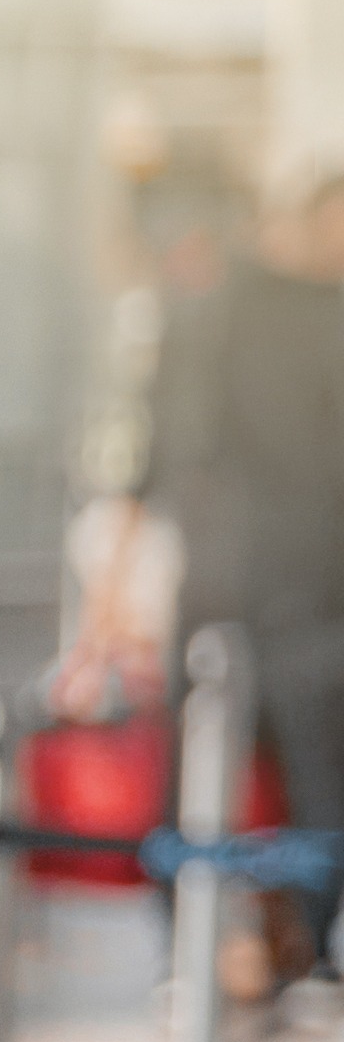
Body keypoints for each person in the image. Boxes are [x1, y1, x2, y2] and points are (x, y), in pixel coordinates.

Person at [145, 159, 344, 976]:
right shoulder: (226, 308)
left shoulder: (214, 306)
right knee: (248, 765)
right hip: (260, 580)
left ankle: (287, 938)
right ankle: (241, 939)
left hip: (274, 579)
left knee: (265, 766)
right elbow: (172, 448)